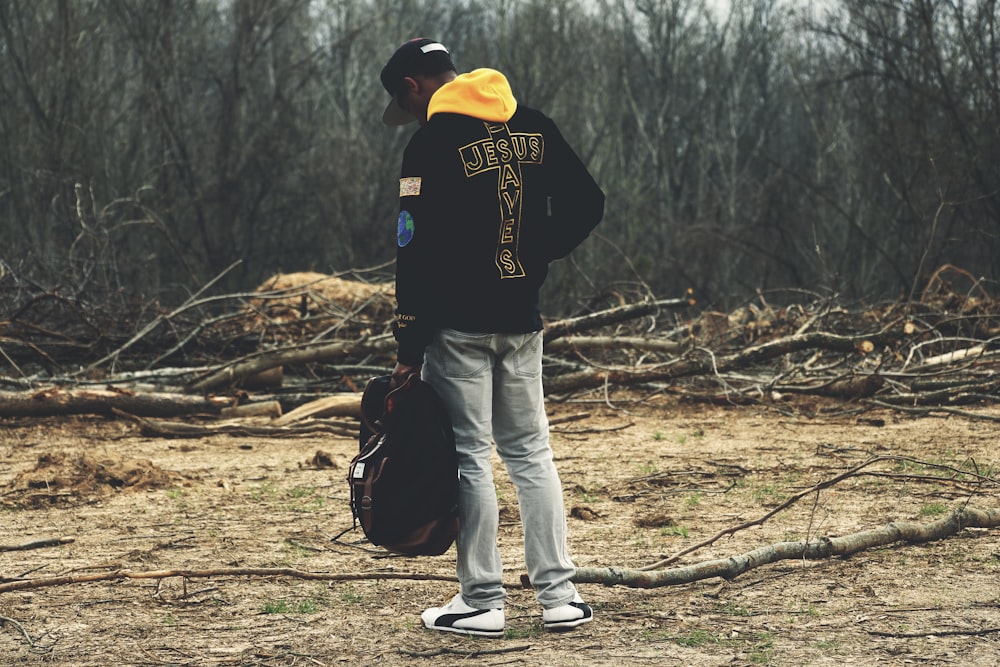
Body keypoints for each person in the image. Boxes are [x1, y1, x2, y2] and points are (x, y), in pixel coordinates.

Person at [379, 38, 605, 637]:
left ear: (411, 87)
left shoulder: (429, 143)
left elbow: (414, 253)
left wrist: (408, 346)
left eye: (407, 103)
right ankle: (559, 597)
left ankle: (481, 602)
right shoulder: (533, 125)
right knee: (532, 454)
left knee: (471, 457)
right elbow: (589, 202)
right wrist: (538, 252)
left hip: (457, 330)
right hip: (521, 320)